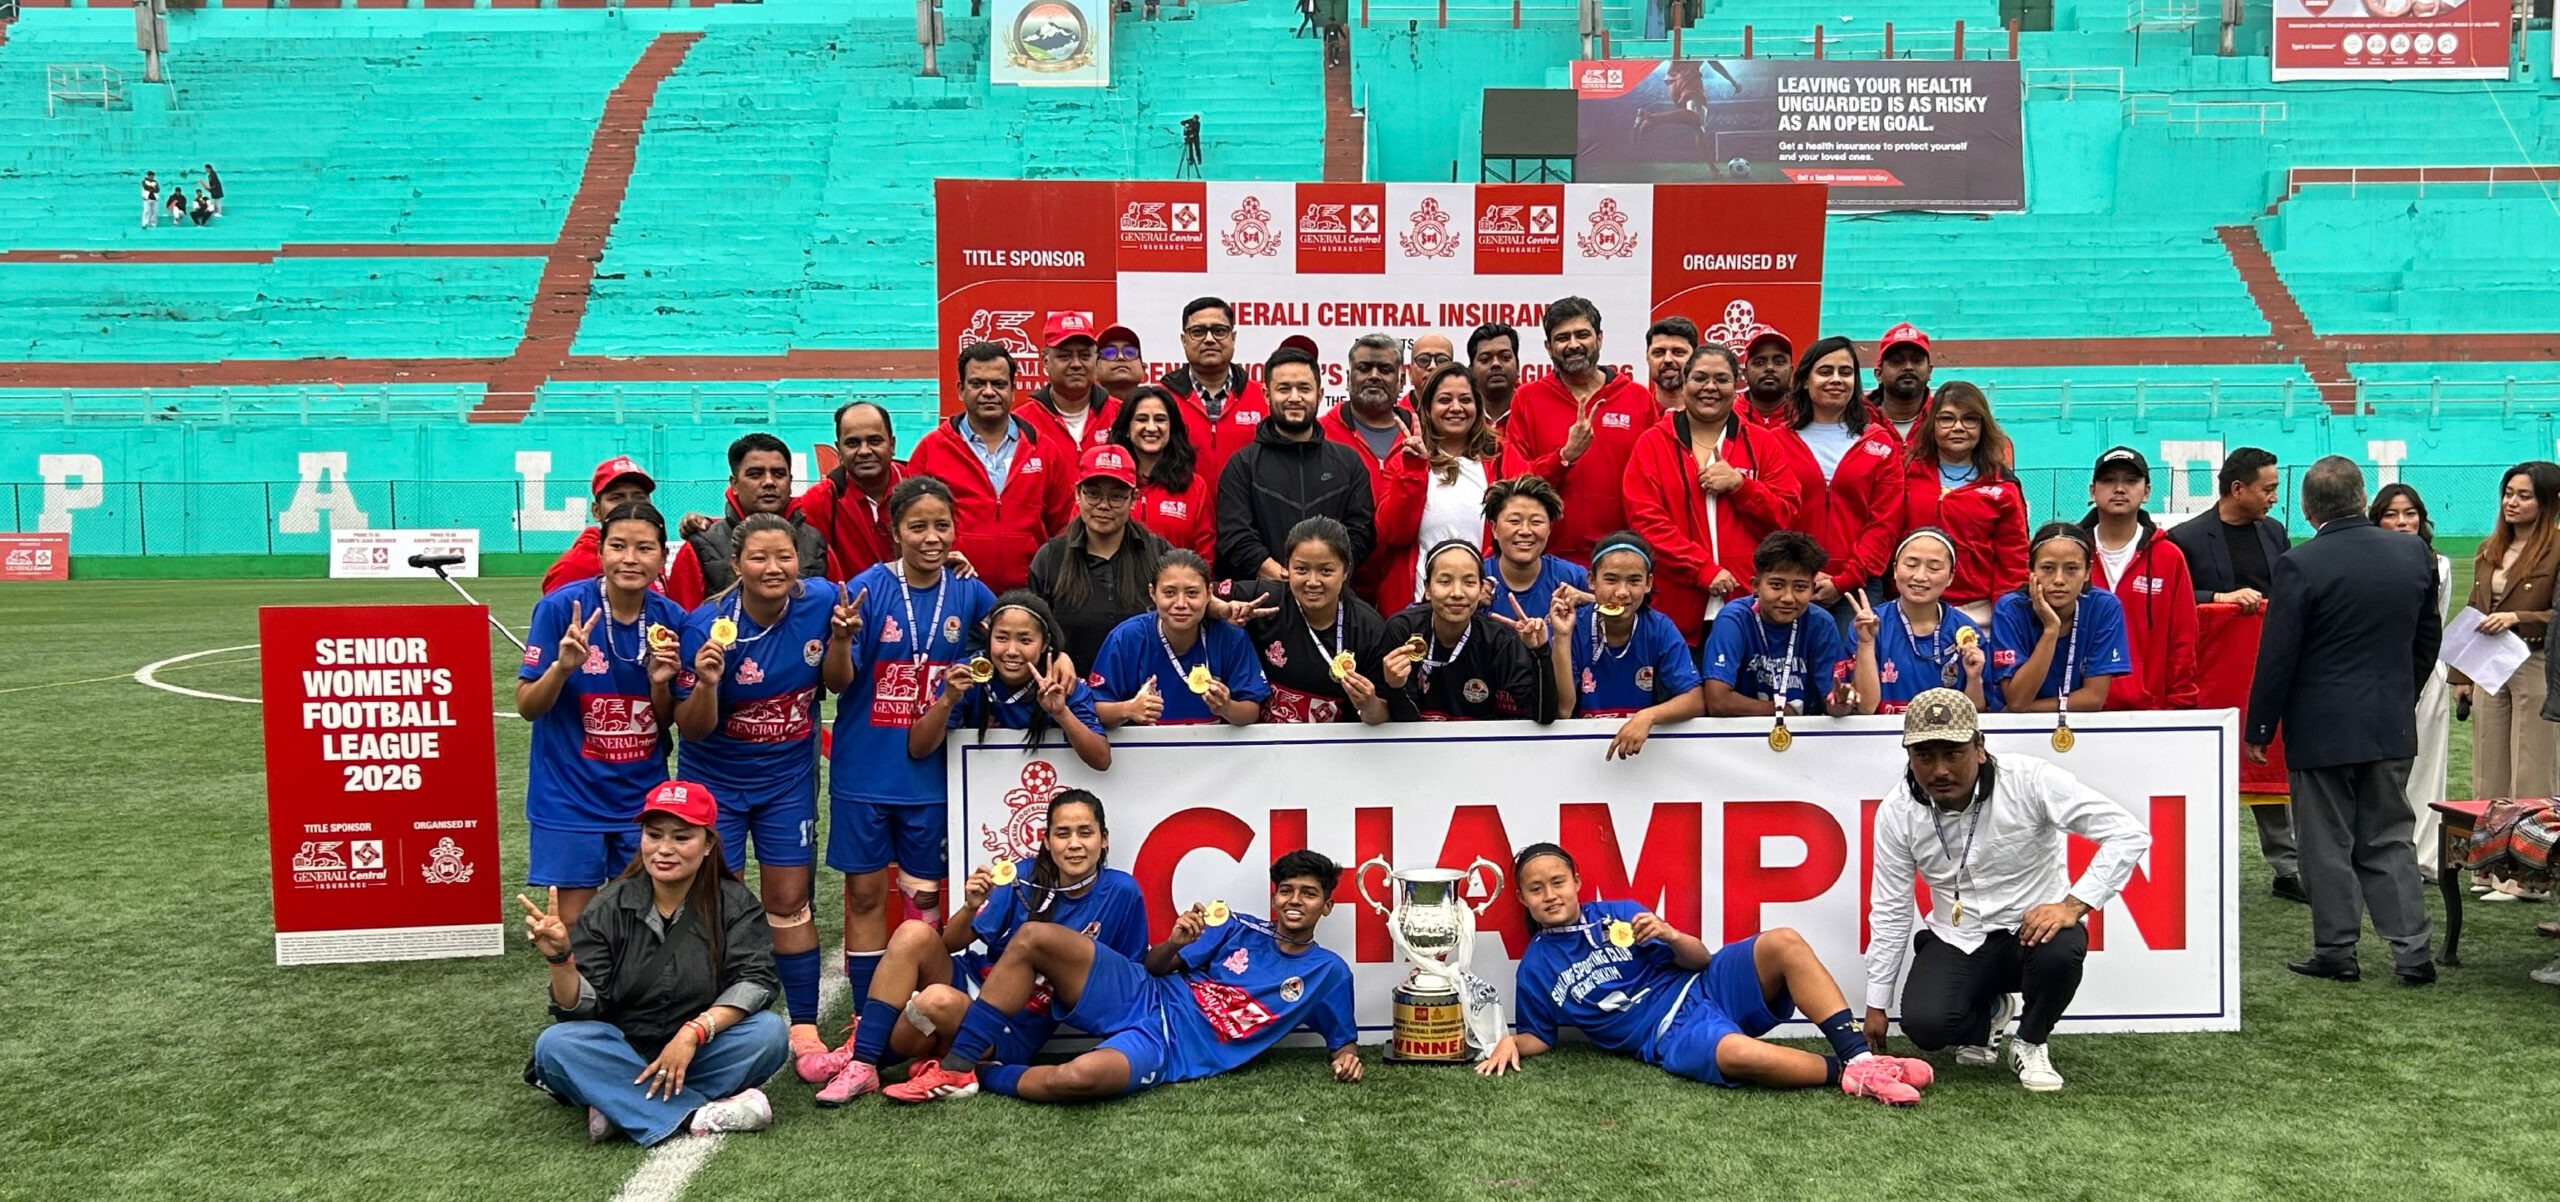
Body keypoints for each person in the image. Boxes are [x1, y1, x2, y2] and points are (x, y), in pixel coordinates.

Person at [879, 850, 1362, 1104]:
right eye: (1286, 891)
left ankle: (979, 1074)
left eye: (1308, 894)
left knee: (1077, 1078)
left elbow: (1343, 1042)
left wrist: (1346, 1059)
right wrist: (1175, 943)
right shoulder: (1234, 925)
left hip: (1170, 1049)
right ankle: (956, 1061)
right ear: (1274, 896)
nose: (1295, 901)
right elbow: (1154, 966)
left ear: (1327, 905)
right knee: (1034, 937)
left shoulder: (1328, 972)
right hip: (1144, 992)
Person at [1479, 842, 1930, 1106]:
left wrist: (1671, 935)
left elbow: (1700, 959)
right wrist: (1509, 1040)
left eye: (1558, 882)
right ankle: (1852, 1075)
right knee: (1739, 1054)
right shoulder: (1535, 966)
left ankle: (1861, 1057)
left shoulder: (1619, 912)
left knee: (1783, 941)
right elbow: (1540, 1036)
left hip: (1704, 984)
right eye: (1536, 889)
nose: (1550, 895)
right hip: (1667, 1034)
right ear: (1522, 899)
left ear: (1577, 881)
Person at [1863, 689, 2153, 1093]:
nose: (1939, 770)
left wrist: (2072, 905)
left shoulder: (2030, 780)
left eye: (1953, 753)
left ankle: (2031, 1041)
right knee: (1925, 1026)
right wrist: (1876, 1004)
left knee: (2063, 948)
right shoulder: (1897, 811)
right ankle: (1990, 1015)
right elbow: (1891, 908)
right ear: (1909, 757)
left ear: (1979, 749)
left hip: (2030, 932)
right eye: (1924, 755)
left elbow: (2127, 833)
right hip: (1958, 937)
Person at [812, 789, 1144, 1105]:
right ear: (1046, 841)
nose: (1074, 844)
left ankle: (903, 1054)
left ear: (1104, 839)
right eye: (1062, 834)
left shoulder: (1121, 891)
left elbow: (1128, 975)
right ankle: (863, 1061)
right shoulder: (1023, 874)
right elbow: (949, 943)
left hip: (1015, 1024)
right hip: (972, 980)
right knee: (912, 933)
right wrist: (971, 906)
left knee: (930, 1007)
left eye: (1085, 833)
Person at [670, 513, 855, 1077]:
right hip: (716, 783)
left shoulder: (822, 601)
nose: (773, 568)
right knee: (715, 902)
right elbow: (691, 727)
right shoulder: (706, 627)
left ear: (799, 560)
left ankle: (803, 1025)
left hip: (786, 780)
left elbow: (838, 680)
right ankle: (715, 1018)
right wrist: (707, 682)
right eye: (759, 558)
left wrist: (841, 639)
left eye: (784, 556)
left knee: (789, 898)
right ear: (736, 565)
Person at [2246, 456, 2442, 985]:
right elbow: (2428, 637)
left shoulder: (2300, 563)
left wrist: (2261, 726)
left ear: (2307, 509)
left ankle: (2337, 949)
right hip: (2388, 719)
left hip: (2321, 725)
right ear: (2363, 500)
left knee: (2324, 842)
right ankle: (2412, 952)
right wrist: (2402, 692)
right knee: (2390, 837)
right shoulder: (2413, 553)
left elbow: (2278, 653)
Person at [524, 782, 790, 1144]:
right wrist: (560, 959)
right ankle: (693, 1115)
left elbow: (755, 981)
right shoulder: (609, 905)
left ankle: (617, 1101)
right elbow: (580, 1009)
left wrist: (693, 1033)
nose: (664, 849)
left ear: (708, 844)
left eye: (682, 837)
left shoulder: (735, 903)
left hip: (699, 1047)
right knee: (556, 1045)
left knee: (768, 1034)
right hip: (621, 1048)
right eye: (654, 835)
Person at [827, 477, 999, 1018]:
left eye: (942, 526)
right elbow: (836, 681)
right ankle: (865, 1015)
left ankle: (917, 1010)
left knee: (924, 897)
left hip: (930, 776)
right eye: (917, 526)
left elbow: (1016, 634)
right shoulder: (867, 589)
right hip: (865, 770)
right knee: (864, 897)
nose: (931, 537)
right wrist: (841, 639)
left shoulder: (969, 591)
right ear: (895, 530)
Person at [518, 502, 689, 929]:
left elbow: (665, 720)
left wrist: (659, 684)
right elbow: (527, 706)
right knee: (576, 926)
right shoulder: (560, 609)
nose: (630, 558)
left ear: (662, 556)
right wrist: (561, 669)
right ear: (600, 552)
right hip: (569, 795)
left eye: (644, 548)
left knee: (640, 923)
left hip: (640, 797)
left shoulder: (673, 619)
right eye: (618, 546)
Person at [2164, 445, 2301, 901]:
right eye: (2268, 489)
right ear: (2237, 489)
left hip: (2266, 673)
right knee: (2206, 771)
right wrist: (2217, 598)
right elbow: (2172, 598)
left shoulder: (2274, 533)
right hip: (2211, 679)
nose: (2274, 498)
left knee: (2269, 766)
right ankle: (2198, 869)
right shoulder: (2184, 539)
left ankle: (2288, 867)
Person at [1623, 344, 1800, 650]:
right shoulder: (1652, 443)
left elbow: (1786, 515)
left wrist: (1742, 487)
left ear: (1737, 385)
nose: (1710, 387)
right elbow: (1646, 522)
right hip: (1675, 607)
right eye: (1700, 378)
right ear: (1685, 381)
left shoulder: (1763, 443)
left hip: (1747, 604)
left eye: (1721, 379)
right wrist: (1703, 569)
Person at [907, 342, 1078, 595]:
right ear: (960, 390)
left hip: (1030, 595)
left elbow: (1064, 525)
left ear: (1013, 390)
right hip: (954, 592)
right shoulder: (931, 450)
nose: (989, 392)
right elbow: (909, 522)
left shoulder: (1044, 450)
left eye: (998, 384)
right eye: (977, 384)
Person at [1501, 297, 1658, 561]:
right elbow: (1515, 483)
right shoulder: (1527, 399)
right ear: (1548, 347)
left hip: (1620, 560)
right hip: (1546, 559)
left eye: (1582, 335)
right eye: (1562, 338)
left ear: (1600, 338)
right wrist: (1563, 458)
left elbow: (1654, 485)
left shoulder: (1637, 398)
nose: (1573, 344)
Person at [1217, 344, 1377, 584]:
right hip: (1264, 598)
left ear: (1319, 395)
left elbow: (1361, 533)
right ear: (1266, 395)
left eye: (1304, 388)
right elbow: (1235, 535)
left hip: (1333, 596)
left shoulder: (1348, 463)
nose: (1294, 398)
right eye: (1284, 389)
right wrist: (1286, 578)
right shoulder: (1242, 465)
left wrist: (1322, 576)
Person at [2452, 461, 2560, 807]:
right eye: (2508, 494)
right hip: (2489, 662)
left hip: (2537, 661)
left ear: (2549, 501)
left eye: (2524, 496)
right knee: (2488, 763)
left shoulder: (2557, 548)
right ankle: (2489, 836)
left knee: (2533, 763)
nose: (2511, 502)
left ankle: (2531, 837)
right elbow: (2474, 608)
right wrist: (2462, 675)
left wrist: (2517, 617)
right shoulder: (2489, 548)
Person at [909, 590, 1111, 770]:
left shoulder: (1060, 682)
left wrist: (1061, 713)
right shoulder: (967, 675)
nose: (1012, 651)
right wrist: (948, 700)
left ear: (1044, 643)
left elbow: (1101, 760)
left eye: (1025, 640)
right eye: (1002, 638)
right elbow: (918, 749)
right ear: (988, 637)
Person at [1224, 517, 1394, 724]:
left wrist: (1369, 704)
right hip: (1266, 738)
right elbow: (1202, 595)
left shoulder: (1369, 628)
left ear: (1346, 570)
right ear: (1286, 567)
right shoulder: (1264, 600)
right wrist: (1223, 610)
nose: (1313, 582)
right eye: (1301, 569)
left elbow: (1383, 714)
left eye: (1326, 571)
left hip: (1336, 741)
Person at [1780, 335, 1903, 621]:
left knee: (1857, 653)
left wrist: (1845, 579)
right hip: (1790, 582)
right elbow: (1771, 515)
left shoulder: (1881, 443)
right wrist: (1797, 572)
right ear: (1804, 380)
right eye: (1825, 371)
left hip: (1858, 586)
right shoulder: (1775, 442)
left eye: (1845, 372)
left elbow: (1885, 524)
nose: (1836, 379)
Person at [1549, 533, 1704, 759]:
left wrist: (1647, 717)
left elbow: (1695, 699)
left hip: (1640, 753)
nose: (1622, 592)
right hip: (1577, 753)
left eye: (1634, 581)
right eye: (1611, 580)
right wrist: (1562, 637)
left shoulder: (1659, 628)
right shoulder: (1572, 625)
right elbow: (1563, 710)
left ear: (1648, 583)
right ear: (1591, 581)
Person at [1381, 539, 1561, 721]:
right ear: (1427, 589)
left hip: (1482, 738)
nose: (1457, 593)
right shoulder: (1404, 629)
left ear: (1482, 589)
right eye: (1445, 581)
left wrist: (1539, 651)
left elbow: (1543, 715)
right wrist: (1396, 687)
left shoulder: (1497, 639)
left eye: (1469, 582)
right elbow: (1404, 723)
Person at [1028, 444, 1169, 674]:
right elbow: (1032, 627)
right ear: (1078, 494)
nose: (1103, 505)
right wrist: (1054, 654)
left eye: (1116, 496)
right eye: (1093, 494)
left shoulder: (1158, 553)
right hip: (1071, 688)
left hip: (1147, 685)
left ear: (1134, 499)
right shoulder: (1050, 557)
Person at [2370, 484, 2452, 879]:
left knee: (2426, 768)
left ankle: (2423, 856)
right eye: (2391, 514)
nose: (2402, 522)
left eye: (2409, 513)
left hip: (2425, 676)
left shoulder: (2440, 565)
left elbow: (2433, 629)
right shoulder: (2363, 563)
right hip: (2374, 677)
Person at [2078, 447, 2198, 714]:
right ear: (2092, 491)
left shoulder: (2168, 556)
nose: (2119, 488)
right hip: (2077, 709)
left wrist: (2180, 704)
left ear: (2146, 492)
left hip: (2148, 710)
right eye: (2108, 480)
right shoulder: (2070, 553)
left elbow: (2182, 639)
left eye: (2131, 481)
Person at [1091, 549, 1270, 727]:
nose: (1181, 604)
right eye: (1169, 593)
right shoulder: (1127, 638)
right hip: (1146, 745)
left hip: (1213, 745)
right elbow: (1096, 709)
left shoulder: (1230, 637)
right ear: (1153, 593)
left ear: (1209, 594)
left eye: (1192, 593)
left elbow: (1251, 711)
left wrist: (1227, 708)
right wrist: (1128, 709)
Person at [1895, 382, 2025, 623]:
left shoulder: (2003, 487)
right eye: (1946, 419)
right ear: (1931, 424)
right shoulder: (1904, 472)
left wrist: (2006, 617)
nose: (1958, 427)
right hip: (1908, 605)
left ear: (1983, 426)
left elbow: (2013, 562)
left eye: (1970, 419)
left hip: (1975, 611)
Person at [665, 433, 829, 609]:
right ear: (734, 484)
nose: (769, 482)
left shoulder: (816, 541)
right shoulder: (699, 546)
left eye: (779, 474)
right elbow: (684, 620)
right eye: (755, 474)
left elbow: (834, 606)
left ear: (790, 481)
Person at [1320, 333, 1423, 609]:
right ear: (1347, 378)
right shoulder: (1321, 434)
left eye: (1385, 369)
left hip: (1408, 593)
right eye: (1364, 368)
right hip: (1337, 593)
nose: (1374, 376)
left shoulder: (1425, 436)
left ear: (1402, 380)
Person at [1988, 524, 2132, 716]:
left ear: (2087, 571)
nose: (2059, 580)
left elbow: (2093, 698)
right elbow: (2017, 699)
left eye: (2071, 569)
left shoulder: (2104, 607)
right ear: (2030, 570)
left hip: (2077, 721)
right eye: (2047, 568)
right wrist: (2051, 630)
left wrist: (2029, 708)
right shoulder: (2010, 610)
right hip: (2015, 727)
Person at [1702, 530, 1848, 717]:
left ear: (1813, 589)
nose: (1788, 598)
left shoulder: (1821, 624)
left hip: (1805, 732)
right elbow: (1717, 701)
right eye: (1777, 585)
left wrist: (1841, 704)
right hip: (1743, 731)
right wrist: (1782, 712)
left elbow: (1832, 703)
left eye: (1800, 587)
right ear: (1755, 586)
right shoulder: (1734, 619)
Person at [1845, 529, 1988, 715]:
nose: (1920, 576)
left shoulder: (1966, 632)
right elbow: (1866, 707)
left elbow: (1976, 713)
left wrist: (1974, 679)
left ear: (1950, 577)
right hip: (1884, 731)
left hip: (1945, 734)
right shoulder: (1868, 625)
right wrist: (1866, 643)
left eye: (1934, 568)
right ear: (1895, 569)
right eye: (1911, 565)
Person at [1402, 363, 1503, 606]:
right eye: (1445, 400)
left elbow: (1523, 513)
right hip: (1420, 604)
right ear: (1428, 408)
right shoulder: (1406, 458)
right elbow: (1392, 533)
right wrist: (1414, 470)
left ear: (1478, 407)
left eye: (1465, 400)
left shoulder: (1500, 456)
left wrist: (1565, 457)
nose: (1456, 408)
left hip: (1481, 604)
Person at [794, 400, 907, 583]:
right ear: (839, 450)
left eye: (874, 441)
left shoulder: (921, 491)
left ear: (892, 444)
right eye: (853, 443)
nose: (864, 451)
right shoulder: (819, 502)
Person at [1161, 297, 1270, 487]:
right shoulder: (1161, 399)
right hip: (1182, 504)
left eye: (1219, 331)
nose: (1209, 339)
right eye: (1198, 332)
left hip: (1248, 506)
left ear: (1233, 337)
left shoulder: (1263, 398)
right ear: (1184, 340)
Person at [1111, 385, 1217, 562]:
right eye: (1142, 419)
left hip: (1176, 580)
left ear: (1172, 428)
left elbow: (1205, 558)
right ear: (1127, 429)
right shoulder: (1106, 481)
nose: (1151, 428)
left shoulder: (1194, 487)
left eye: (1160, 419)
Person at [539, 456, 659, 595]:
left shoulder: (652, 554)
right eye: (617, 498)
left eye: (639, 497)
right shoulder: (574, 567)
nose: (630, 505)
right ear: (596, 511)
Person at [1482, 474, 1590, 621]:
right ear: (1494, 528)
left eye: (1536, 522)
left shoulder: (1573, 578)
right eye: (1514, 521)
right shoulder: (1475, 579)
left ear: (1550, 528)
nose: (1525, 531)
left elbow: (1616, 608)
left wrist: (1587, 599)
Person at [1017, 312, 1119, 455]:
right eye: (1064, 356)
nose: (1076, 364)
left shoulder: (1121, 414)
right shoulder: (1021, 422)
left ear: (1096, 360)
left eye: (1085, 356)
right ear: (1045, 362)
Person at [1866, 323, 1935, 449]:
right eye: (1896, 361)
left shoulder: (1943, 418)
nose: (1908, 367)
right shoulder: (1857, 420)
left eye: (1917, 360)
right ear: (1879, 374)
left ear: (1929, 371)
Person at [1467, 321, 1521, 428]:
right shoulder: (1461, 413)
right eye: (1485, 359)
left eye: (1505, 357)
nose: (1496, 364)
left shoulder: (1534, 410)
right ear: (1471, 370)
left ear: (1518, 366)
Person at [1738, 327, 1794, 429]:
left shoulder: (1806, 417)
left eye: (1779, 362)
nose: (1770, 368)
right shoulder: (1728, 416)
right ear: (1745, 374)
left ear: (1791, 371)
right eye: (1759, 362)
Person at [1642, 317, 1699, 412]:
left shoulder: (1716, 415)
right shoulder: (1636, 414)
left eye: (1678, 352)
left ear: (1696, 358)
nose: (1667, 360)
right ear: (1647, 357)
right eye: (1658, 352)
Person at [1093, 323, 1149, 405]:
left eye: (1130, 352)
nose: (1120, 357)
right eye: (1109, 353)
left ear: (1143, 370)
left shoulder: (1157, 410)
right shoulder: (1082, 411)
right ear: (1094, 371)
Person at [1404, 332, 1456, 405]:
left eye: (1441, 361)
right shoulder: (1393, 411)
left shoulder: (1461, 410)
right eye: (1423, 360)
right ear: (1410, 372)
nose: (1433, 366)